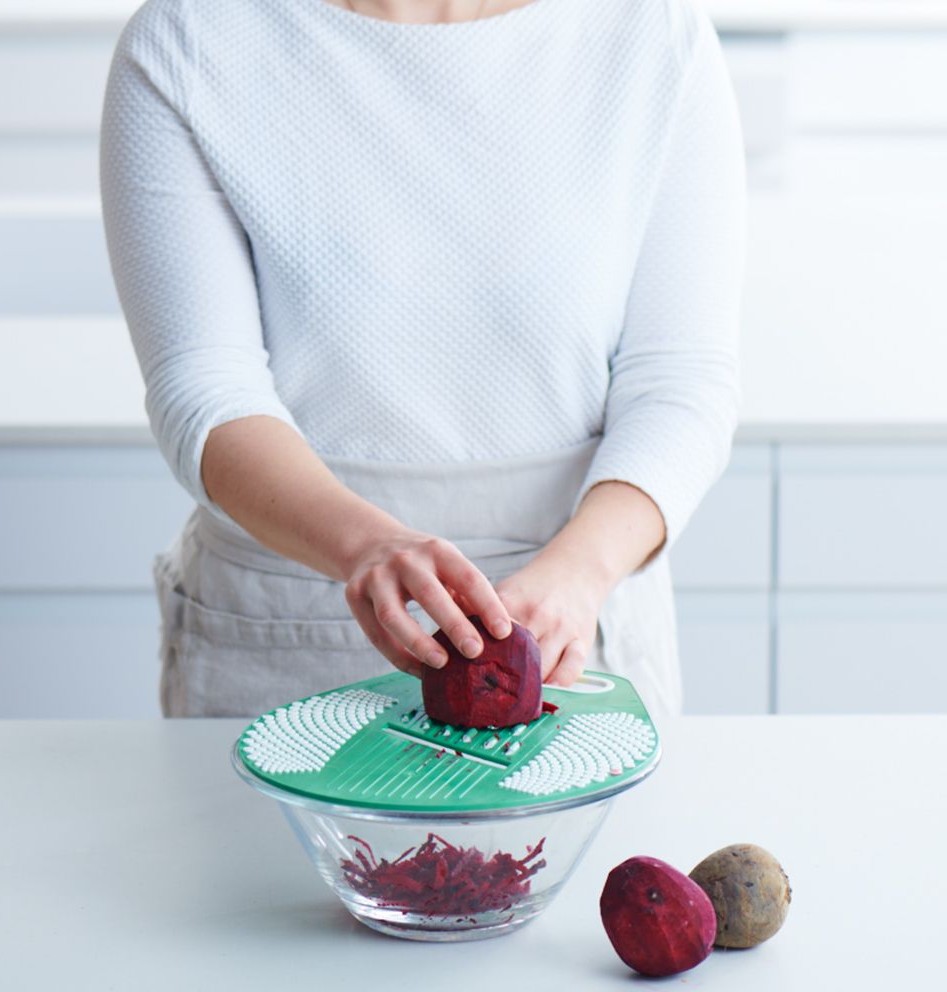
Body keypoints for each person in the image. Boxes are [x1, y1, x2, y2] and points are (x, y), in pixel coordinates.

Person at [99, 0, 746, 727]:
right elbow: (206, 388)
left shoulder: (651, 34)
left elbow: (681, 382)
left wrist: (579, 574)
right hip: (291, 630)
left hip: (574, 631)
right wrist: (366, 546)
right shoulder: (190, 39)